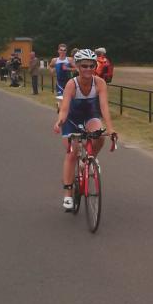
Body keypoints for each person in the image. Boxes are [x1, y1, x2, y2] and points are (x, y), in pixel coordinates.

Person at [53, 48, 117, 211]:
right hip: (72, 118)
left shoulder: (100, 83)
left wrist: (111, 129)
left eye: (91, 66)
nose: (88, 69)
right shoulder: (71, 84)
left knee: (100, 136)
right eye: (84, 66)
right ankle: (68, 193)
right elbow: (64, 109)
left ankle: (88, 160)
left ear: (95, 66)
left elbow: (104, 107)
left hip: (90, 115)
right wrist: (59, 121)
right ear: (77, 67)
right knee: (72, 152)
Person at [50, 44, 74, 110]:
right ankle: (60, 107)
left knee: (69, 98)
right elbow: (50, 66)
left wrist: (68, 68)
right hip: (59, 82)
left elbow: (77, 69)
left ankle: (66, 109)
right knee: (60, 98)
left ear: (66, 51)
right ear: (58, 51)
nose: (63, 52)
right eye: (61, 50)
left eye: (64, 50)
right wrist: (52, 70)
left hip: (68, 82)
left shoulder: (69, 59)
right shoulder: (55, 60)